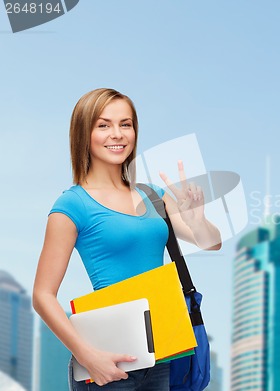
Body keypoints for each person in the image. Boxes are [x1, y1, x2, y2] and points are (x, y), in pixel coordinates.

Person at [33, 88, 222, 390]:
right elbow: (42, 295)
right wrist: (88, 355)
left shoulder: (152, 196)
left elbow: (211, 242)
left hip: (163, 354)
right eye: (103, 125)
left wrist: (197, 220)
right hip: (108, 362)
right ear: (84, 133)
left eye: (126, 124)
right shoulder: (72, 204)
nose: (117, 134)